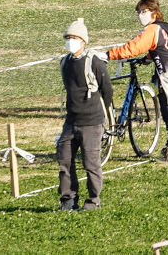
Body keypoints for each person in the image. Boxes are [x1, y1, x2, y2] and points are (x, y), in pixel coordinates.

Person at [107, 0, 168, 163]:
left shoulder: (152, 29)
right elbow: (163, 47)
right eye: (138, 12)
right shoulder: (166, 28)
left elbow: (134, 47)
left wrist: (109, 55)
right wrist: (148, 58)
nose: (141, 15)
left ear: (154, 13)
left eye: (144, 11)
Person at [57, 18, 112, 211]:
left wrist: (103, 115)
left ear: (83, 41)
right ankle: (68, 200)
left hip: (92, 122)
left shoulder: (94, 61)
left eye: (74, 38)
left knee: (91, 164)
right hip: (71, 122)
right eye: (68, 38)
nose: (70, 41)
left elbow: (107, 90)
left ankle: (93, 201)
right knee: (64, 161)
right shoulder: (65, 63)